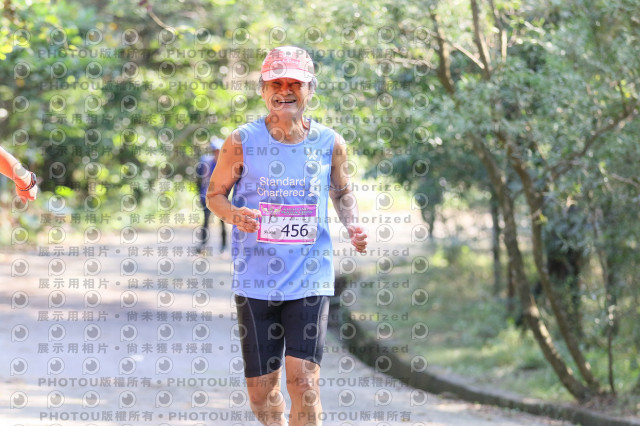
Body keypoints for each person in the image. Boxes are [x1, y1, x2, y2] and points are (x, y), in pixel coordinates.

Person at [206, 46, 367, 426]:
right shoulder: (241, 141)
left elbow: (342, 191)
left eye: (294, 83)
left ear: (310, 88)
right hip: (256, 279)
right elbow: (215, 195)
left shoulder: (330, 142)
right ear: (263, 90)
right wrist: (234, 214)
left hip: (310, 276)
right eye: (275, 83)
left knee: (304, 382)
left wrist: (353, 223)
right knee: (261, 393)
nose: (285, 91)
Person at [196, 137, 227, 254]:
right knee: (205, 221)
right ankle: (203, 245)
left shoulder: (225, 165)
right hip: (207, 197)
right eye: (215, 151)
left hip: (221, 198)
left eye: (219, 151)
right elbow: (199, 181)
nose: (217, 153)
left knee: (222, 221)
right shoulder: (205, 163)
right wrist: (200, 194)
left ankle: (223, 246)